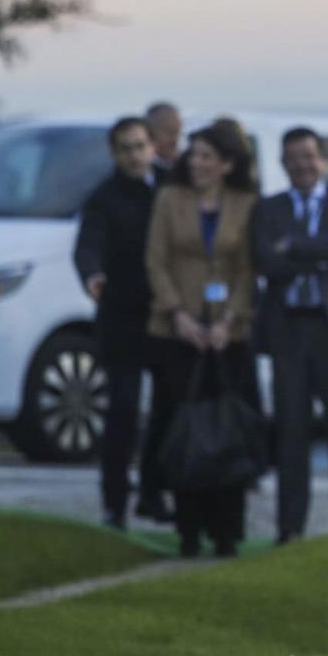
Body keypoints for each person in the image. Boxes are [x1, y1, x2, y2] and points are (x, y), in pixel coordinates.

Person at [146, 122, 259, 557]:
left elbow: (249, 269)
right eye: (193, 155)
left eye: (207, 156)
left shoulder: (246, 203)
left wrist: (229, 319)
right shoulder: (169, 199)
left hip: (229, 335)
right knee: (184, 433)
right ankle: (188, 530)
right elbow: (155, 261)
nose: (196, 162)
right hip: (177, 333)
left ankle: (228, 531)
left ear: (227, 163)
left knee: (229, 434)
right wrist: (178, 314)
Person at [252, 127, 328, 541]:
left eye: (309, 156)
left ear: (322, 159)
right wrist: (321, 251)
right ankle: (289, 528)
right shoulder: (268, 208)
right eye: (293, 158)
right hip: (289, 331)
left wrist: (295, 246)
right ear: (283, 165)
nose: (303, 165)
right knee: (290, 434)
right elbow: (267, 263)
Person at [72, 116, 173, 529]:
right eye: (126, 149)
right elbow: (88, 245)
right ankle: (115, 501)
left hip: (167, 316)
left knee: (168, 409)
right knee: (124, 411)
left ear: (153, 146)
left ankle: (153, 491)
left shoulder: (171, 187)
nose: (135, 156)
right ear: (116, 154)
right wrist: (93, 275)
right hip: (122, 319)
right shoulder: (105, 197)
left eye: (140, 146)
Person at [146, 102, 183, 172]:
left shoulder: (187, 165)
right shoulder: (142, 169)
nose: (175, 139)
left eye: (177, 132)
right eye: (170, 132)